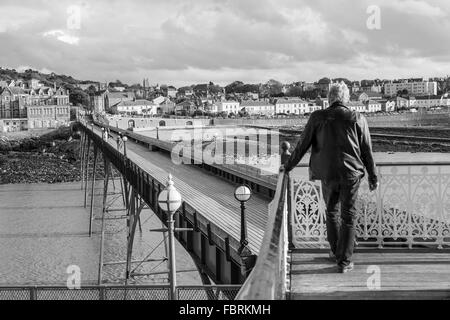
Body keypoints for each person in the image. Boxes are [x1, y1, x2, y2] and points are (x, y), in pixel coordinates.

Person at [280, 82, 379, 273]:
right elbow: (367, 151)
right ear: (346, 98)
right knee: (348, 215)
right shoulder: (357, 117)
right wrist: (373, 176)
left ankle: (336, 253)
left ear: (329, 97)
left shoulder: (318, 117)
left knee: (332, 212)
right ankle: (344, 261)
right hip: (351, 174)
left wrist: (288, 165)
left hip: (327, 173)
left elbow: (302, 145)